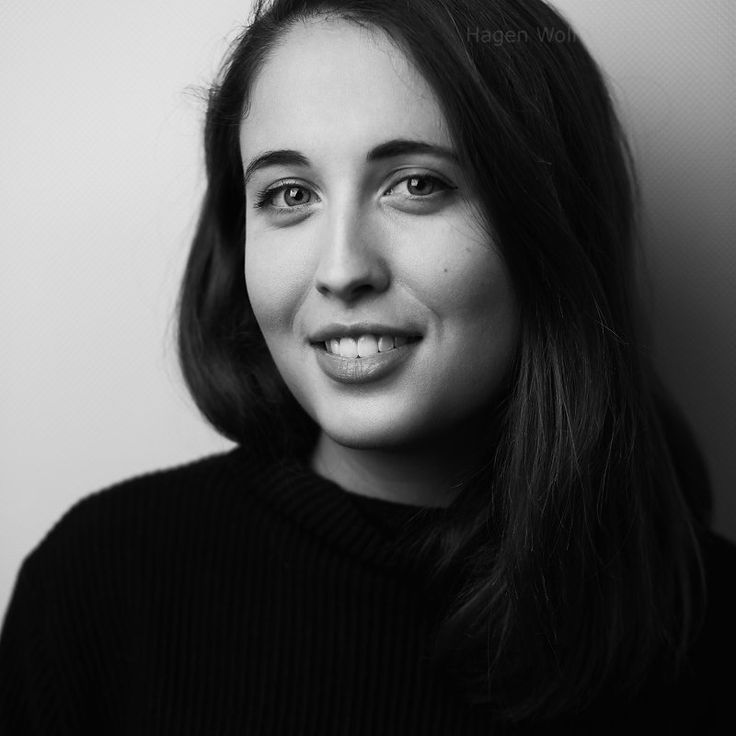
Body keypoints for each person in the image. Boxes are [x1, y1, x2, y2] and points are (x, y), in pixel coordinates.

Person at [1, 0, 734, 733]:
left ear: (550, 224)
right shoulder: (98, 585)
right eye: (290, 195)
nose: (343, 269)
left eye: (418, 184)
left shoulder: (710, 631)